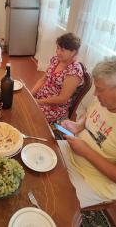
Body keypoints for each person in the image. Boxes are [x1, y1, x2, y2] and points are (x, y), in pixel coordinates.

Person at [58, 56, 116, 208]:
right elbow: (88, 114)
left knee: (55, 203)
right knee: (39, 152)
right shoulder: (103, 100)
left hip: (94, 181)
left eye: (100, 89)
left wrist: (87, 152)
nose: (95, 94)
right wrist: (78, 126)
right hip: (74, 152)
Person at [31, 33, 84, 123]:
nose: (58, 52)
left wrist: (38, 102)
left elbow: (62, 99)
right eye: (58, 48)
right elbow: (43, 80)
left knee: (29, 114)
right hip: (41, 97)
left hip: (54, 107)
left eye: (62, 50)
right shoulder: (56, 60)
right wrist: (30, 95)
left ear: (73, 52)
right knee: (22, 101)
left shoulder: (74, 71)